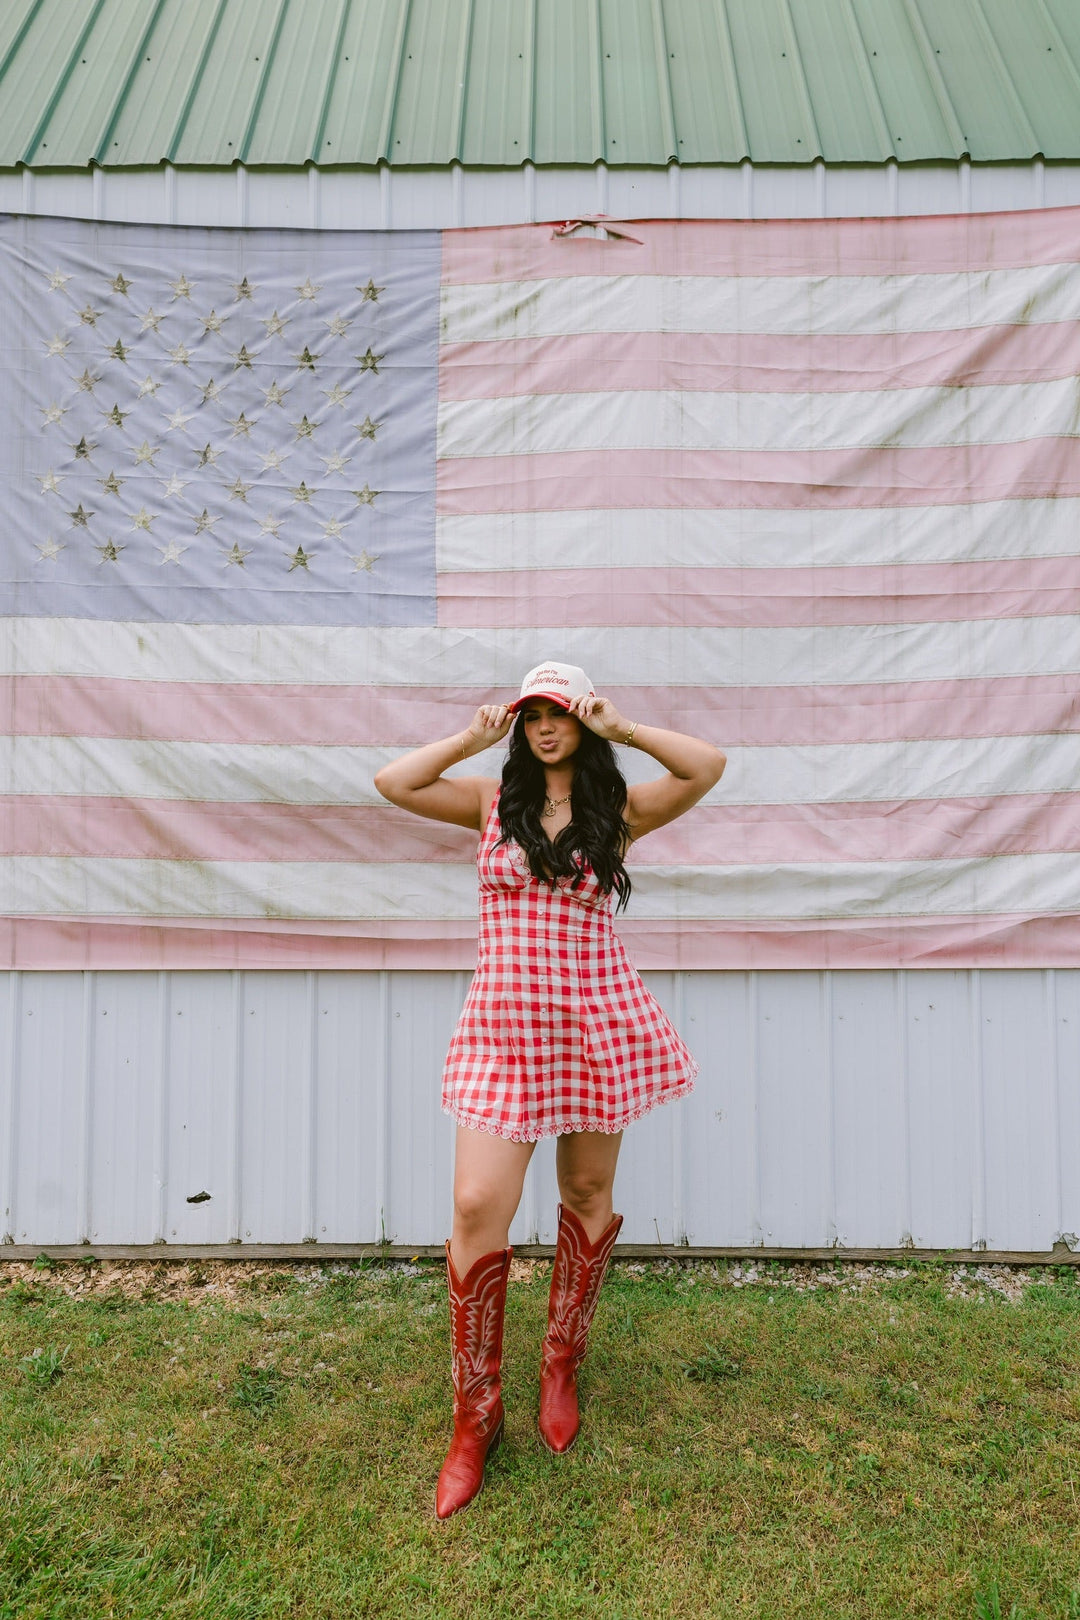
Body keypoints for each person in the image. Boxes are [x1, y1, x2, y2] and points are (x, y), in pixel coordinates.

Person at [373, 661, 726, 1518]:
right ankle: (476, 1416)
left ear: (581, 720)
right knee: (474, 1205)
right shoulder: (489, 803)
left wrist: (621, 726)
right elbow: (394, 782)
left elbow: (706, 767)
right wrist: (471, 737)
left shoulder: (618, 810)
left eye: (560, 712)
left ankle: (561, 1361)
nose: (544, 725)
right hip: (503, 1030)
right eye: (532, 712)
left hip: (593, 1023)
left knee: (587, 1191)